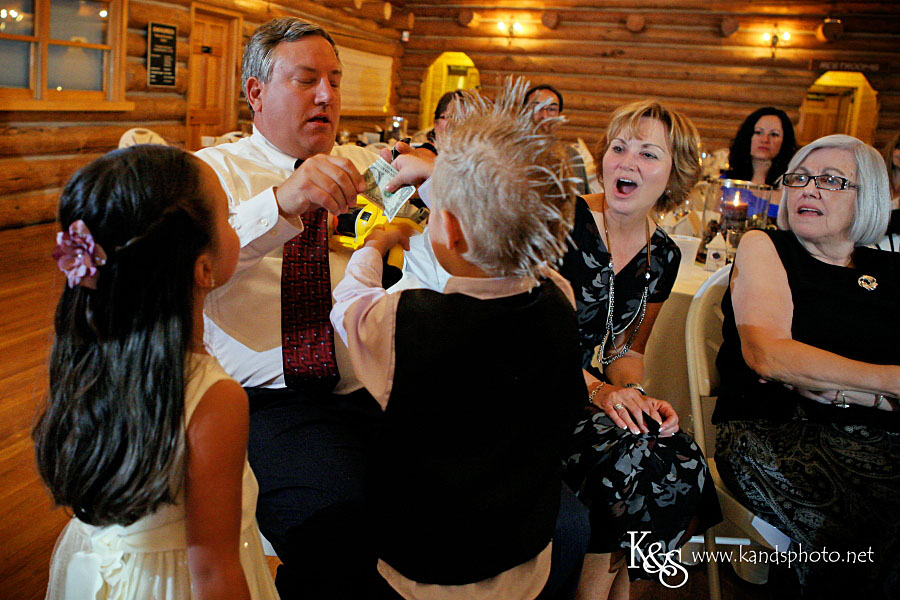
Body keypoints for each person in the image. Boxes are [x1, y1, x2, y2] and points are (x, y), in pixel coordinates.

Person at [332, 78, 589, 600]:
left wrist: (376, 246)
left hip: (427, 557)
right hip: (524, 548)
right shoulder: (558, 295)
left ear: (448, 229)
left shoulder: (407, 321)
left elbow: (350, 305)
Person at [33, 145, 277, 600]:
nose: (234, 225)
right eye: (228, 216)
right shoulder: (214, 396)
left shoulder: (88, 355)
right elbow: (214, 572)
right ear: (203, 267)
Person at [194, 17, 385, 598]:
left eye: (335, 80)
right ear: (256, 92)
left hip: (371, 387)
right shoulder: (212, 173)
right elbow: (197, 267)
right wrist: (281, 203)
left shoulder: (365, 171)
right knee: (334, 534)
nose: (327, 95)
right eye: (306, 80)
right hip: (267, 400)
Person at [713, 134, 900, 599]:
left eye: (832, 181)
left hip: (883, 436)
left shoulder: (890, 270)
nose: (809, 189)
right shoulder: (768, 247)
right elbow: (770, 356)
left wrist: (851, 390)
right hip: (779, 432)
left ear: (870, 197)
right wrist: (888, 382)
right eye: (799, 178)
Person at [557, 100, 721, 600]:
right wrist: (602, 393)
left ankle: (614, 590)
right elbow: (521, 338)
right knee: (628, 455)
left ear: (674, 174)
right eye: (619, 148)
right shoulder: (561, 221)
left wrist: (635, 397)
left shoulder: (663, 254)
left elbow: (627, 349)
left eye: (648, 154)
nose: (627, 162)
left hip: (583, 392)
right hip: (522, 385)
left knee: (679, 455)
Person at [524, 84, 591, 195]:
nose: (544, 115)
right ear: (523, 112)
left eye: (551, 109)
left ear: (559, 116)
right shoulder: (508, 154)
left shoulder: (571, 156)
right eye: (537, 107)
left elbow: (582, 200)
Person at [724, 106, 797, 186]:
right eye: (758, 132)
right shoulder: (727, 181)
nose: (765, 140)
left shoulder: (790, 186)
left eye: (774, 134)